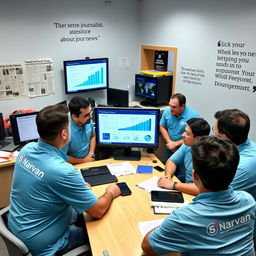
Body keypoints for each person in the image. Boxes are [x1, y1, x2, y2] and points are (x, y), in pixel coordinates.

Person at [8, 104, 121, 256]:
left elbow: (47, 183)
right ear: (64, 134)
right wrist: (111, 192)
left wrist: (75, 188)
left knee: (82, 213)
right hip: (46, 247)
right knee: (103, 230)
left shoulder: (26, 151)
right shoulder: (64, 171)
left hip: (20, 229)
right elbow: (98, 210)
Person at [142, 136, 256, 256]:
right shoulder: (248, 200)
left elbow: (147, 246)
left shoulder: (184, 218)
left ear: (195, 175)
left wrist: (169, 225)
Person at [158, 118, 210, 195]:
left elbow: (202, 189)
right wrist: (168, 176)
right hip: (186, 189)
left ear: (198, 138)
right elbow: (172, 161)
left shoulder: (209, 156)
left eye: (187, 133)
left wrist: (174, 185)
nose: (183, 135)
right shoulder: (187, 145)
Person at [213, 108, 256, 200]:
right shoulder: (242, 144)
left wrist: (176, 185)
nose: (213, 136)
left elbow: (216, 194)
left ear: (224, 137)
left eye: (214, 132)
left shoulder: (242, 167)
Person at [160, 93, 199, 181]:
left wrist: (176, 144)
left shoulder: (193, 116)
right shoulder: (167, 111)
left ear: (182, 106)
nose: (171, 109)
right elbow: (162, 126)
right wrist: (169, 142)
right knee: (168, 169)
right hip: (169, 147)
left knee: (182, 176)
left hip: (185, 149)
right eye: (170, 106)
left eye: (174, 107)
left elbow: (193, 137)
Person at [62, 96, 96, 164]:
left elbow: (93, 136)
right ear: (74, 117)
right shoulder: (65, 130)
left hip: (89, 160)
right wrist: (83, 161)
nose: (91, 117)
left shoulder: (88, 121)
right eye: (86, 115)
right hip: (75, 165)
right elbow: (62, 157)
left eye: (90, 112)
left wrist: (91, 153)